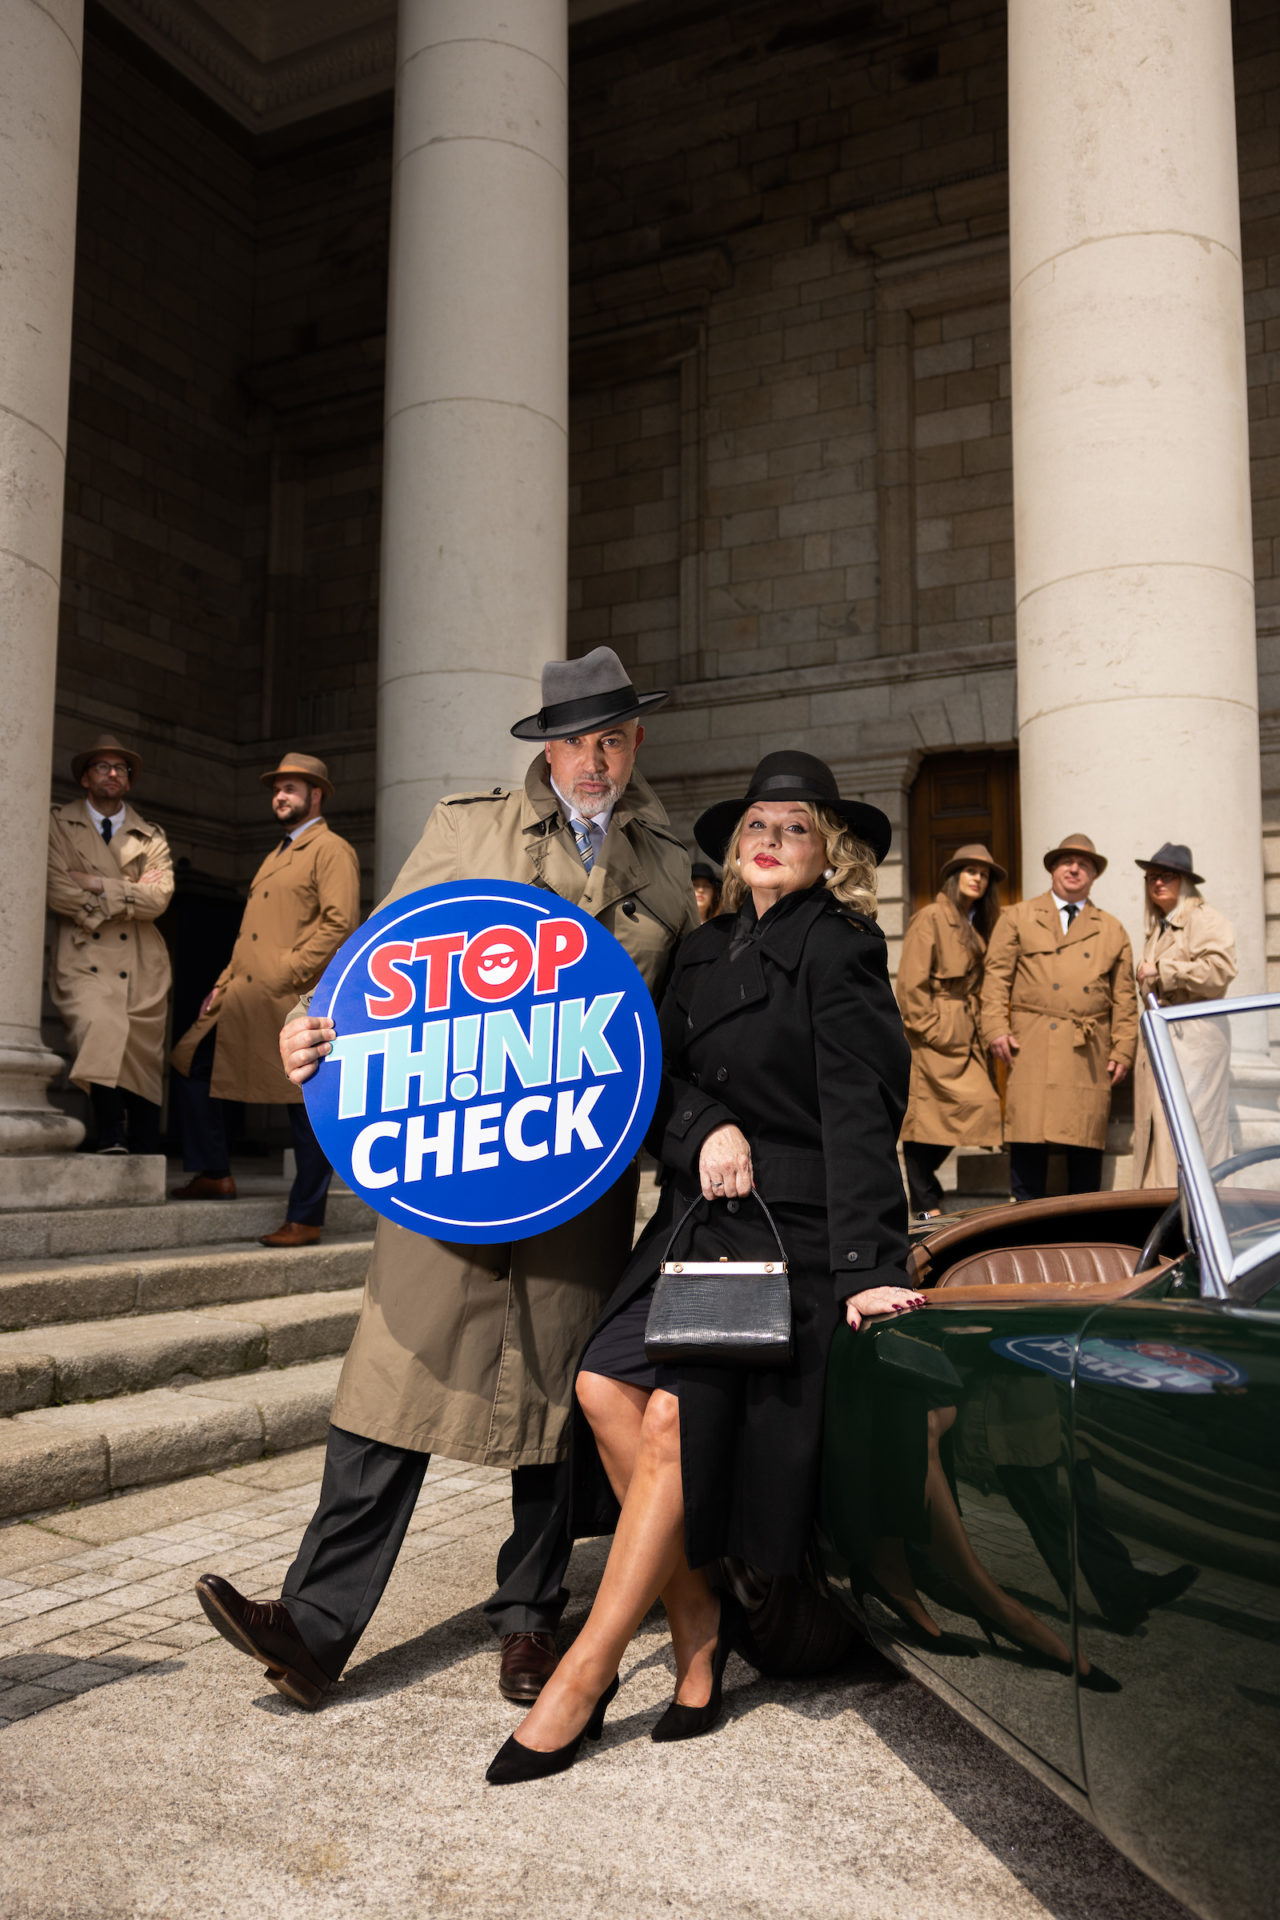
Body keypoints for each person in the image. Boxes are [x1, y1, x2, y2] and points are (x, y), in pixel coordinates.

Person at [193, 649, 697, 1711]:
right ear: (544, 747)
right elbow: (373, 962)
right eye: (574, 740)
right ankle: (315, 1624)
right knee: (391, 1380)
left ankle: (528, 1619)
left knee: (555, 1401)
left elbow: (674, 1021)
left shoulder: (669, 859)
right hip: (448, 1158)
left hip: (576, 1164)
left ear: (635, 741)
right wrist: (308, 1025)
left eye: (611, 737)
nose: (593, 758)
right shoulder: (467, 826)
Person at [485, 749, 922, 1784]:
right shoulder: (701, 946)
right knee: (600, 1383)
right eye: (757, 828)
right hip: (696, 1216)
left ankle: (584, 1676)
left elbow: (864, 1110)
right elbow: (659, 1078)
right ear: (734, 849)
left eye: (796, 829)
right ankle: (696, 1623)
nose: (771, 842)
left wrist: (866, 1262)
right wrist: (707, 1125)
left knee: (676, 1413)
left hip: (797, 1230)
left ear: (829, 854)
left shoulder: (840, 949)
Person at [169, 753, 360, 1246]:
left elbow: (340, 923)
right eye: (276, 789)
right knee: (192, 1065)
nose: (280, 796)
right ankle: (214, 1171)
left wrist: (288, 972)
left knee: (305, 1105)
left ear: (316, 795)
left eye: (291, 788)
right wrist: (223, 979)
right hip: (241, 994)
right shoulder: (276, 854)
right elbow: (249, 933)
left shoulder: (330, 849)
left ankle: (307, 1217)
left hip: (288, 999)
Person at [980, 833, 1138, 1205]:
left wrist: (1125, 1049)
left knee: (1083, 1140)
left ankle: (1081, 1228)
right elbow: (995, 978)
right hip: (1030, 1040)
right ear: (1053, 869)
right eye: (1067, 861)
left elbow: (1125, 999)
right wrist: (995, 1029)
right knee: (1028, 1136)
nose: (1074, 869)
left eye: (1084, 864)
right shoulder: (1017, 916)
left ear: (1093, 876)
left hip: (1088, 1047)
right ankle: (1025, 1224)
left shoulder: (1112, 928)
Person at [46, 734, 174, 1154]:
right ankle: (111, 1133)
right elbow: (54, 887)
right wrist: (125, 894)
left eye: (121, 769)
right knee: (99, 1027)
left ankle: (137, 1141)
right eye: (102, 766)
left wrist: (98, 885)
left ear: (130, 782)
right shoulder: (57, 823)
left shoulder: (151, 835)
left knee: (138, 1049)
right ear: (85, 777)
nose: (113, 774)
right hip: (83, 953)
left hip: (142, 959)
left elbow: (159, 899)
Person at [896, 843, 1005, 1220]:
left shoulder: (974, 921)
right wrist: (933, 1029)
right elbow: (910, 985)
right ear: (955, 875)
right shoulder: (931, 917)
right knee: (925, 1120)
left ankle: (926, 1194)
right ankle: (926, 1201)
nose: (978, 877)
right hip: (936, 1033)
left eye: (985, 873)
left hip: (965, 1029)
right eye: (970, 870)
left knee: (981, 1109)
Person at [1131, 842, 1237, 1187]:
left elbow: (1220, 970)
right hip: (1166, 1040)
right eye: (1151, 877)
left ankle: (1205, 1222)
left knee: (1194, 1137)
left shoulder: (1204, 918)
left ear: (1185, 882)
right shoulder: (1160, 927)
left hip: (1194, 1040)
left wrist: (1163, 970)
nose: (1157, 883)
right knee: (1162, 1134)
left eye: (1167, 876)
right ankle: (1167, 1216)